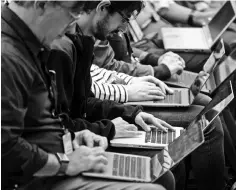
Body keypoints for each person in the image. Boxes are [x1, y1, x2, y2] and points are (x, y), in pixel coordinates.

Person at [1, 1, 172, 190]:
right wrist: (64, 162)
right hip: (36, 175)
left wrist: (72, 138)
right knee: (155, 185)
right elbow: (6, 149)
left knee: (161, 174)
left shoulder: (30, 45)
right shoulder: (10, 56)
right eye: (73, 11)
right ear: (42, 4)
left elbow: (43, 122)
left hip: (54, 157)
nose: (75, 19)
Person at [72, 2, 226, 190]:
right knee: (203, 124)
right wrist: (138, 85)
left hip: (115, 99)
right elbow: (76, 107)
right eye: (124, 19)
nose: (124, 27)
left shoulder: (82, 36)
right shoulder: (70, 40)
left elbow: (97, 73)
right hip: (101, 116)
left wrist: (134, 83)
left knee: (205, 105)